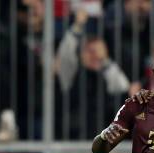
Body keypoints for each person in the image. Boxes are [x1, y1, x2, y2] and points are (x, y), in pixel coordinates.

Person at [56, 8, 131, 139]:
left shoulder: (108, 70)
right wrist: (77, 28)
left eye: (95, 47)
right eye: (87, 48)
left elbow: (123, 88)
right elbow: (66, 55)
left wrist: (104, 60)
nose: (92, 51)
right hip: (73, 141)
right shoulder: (71, 73)